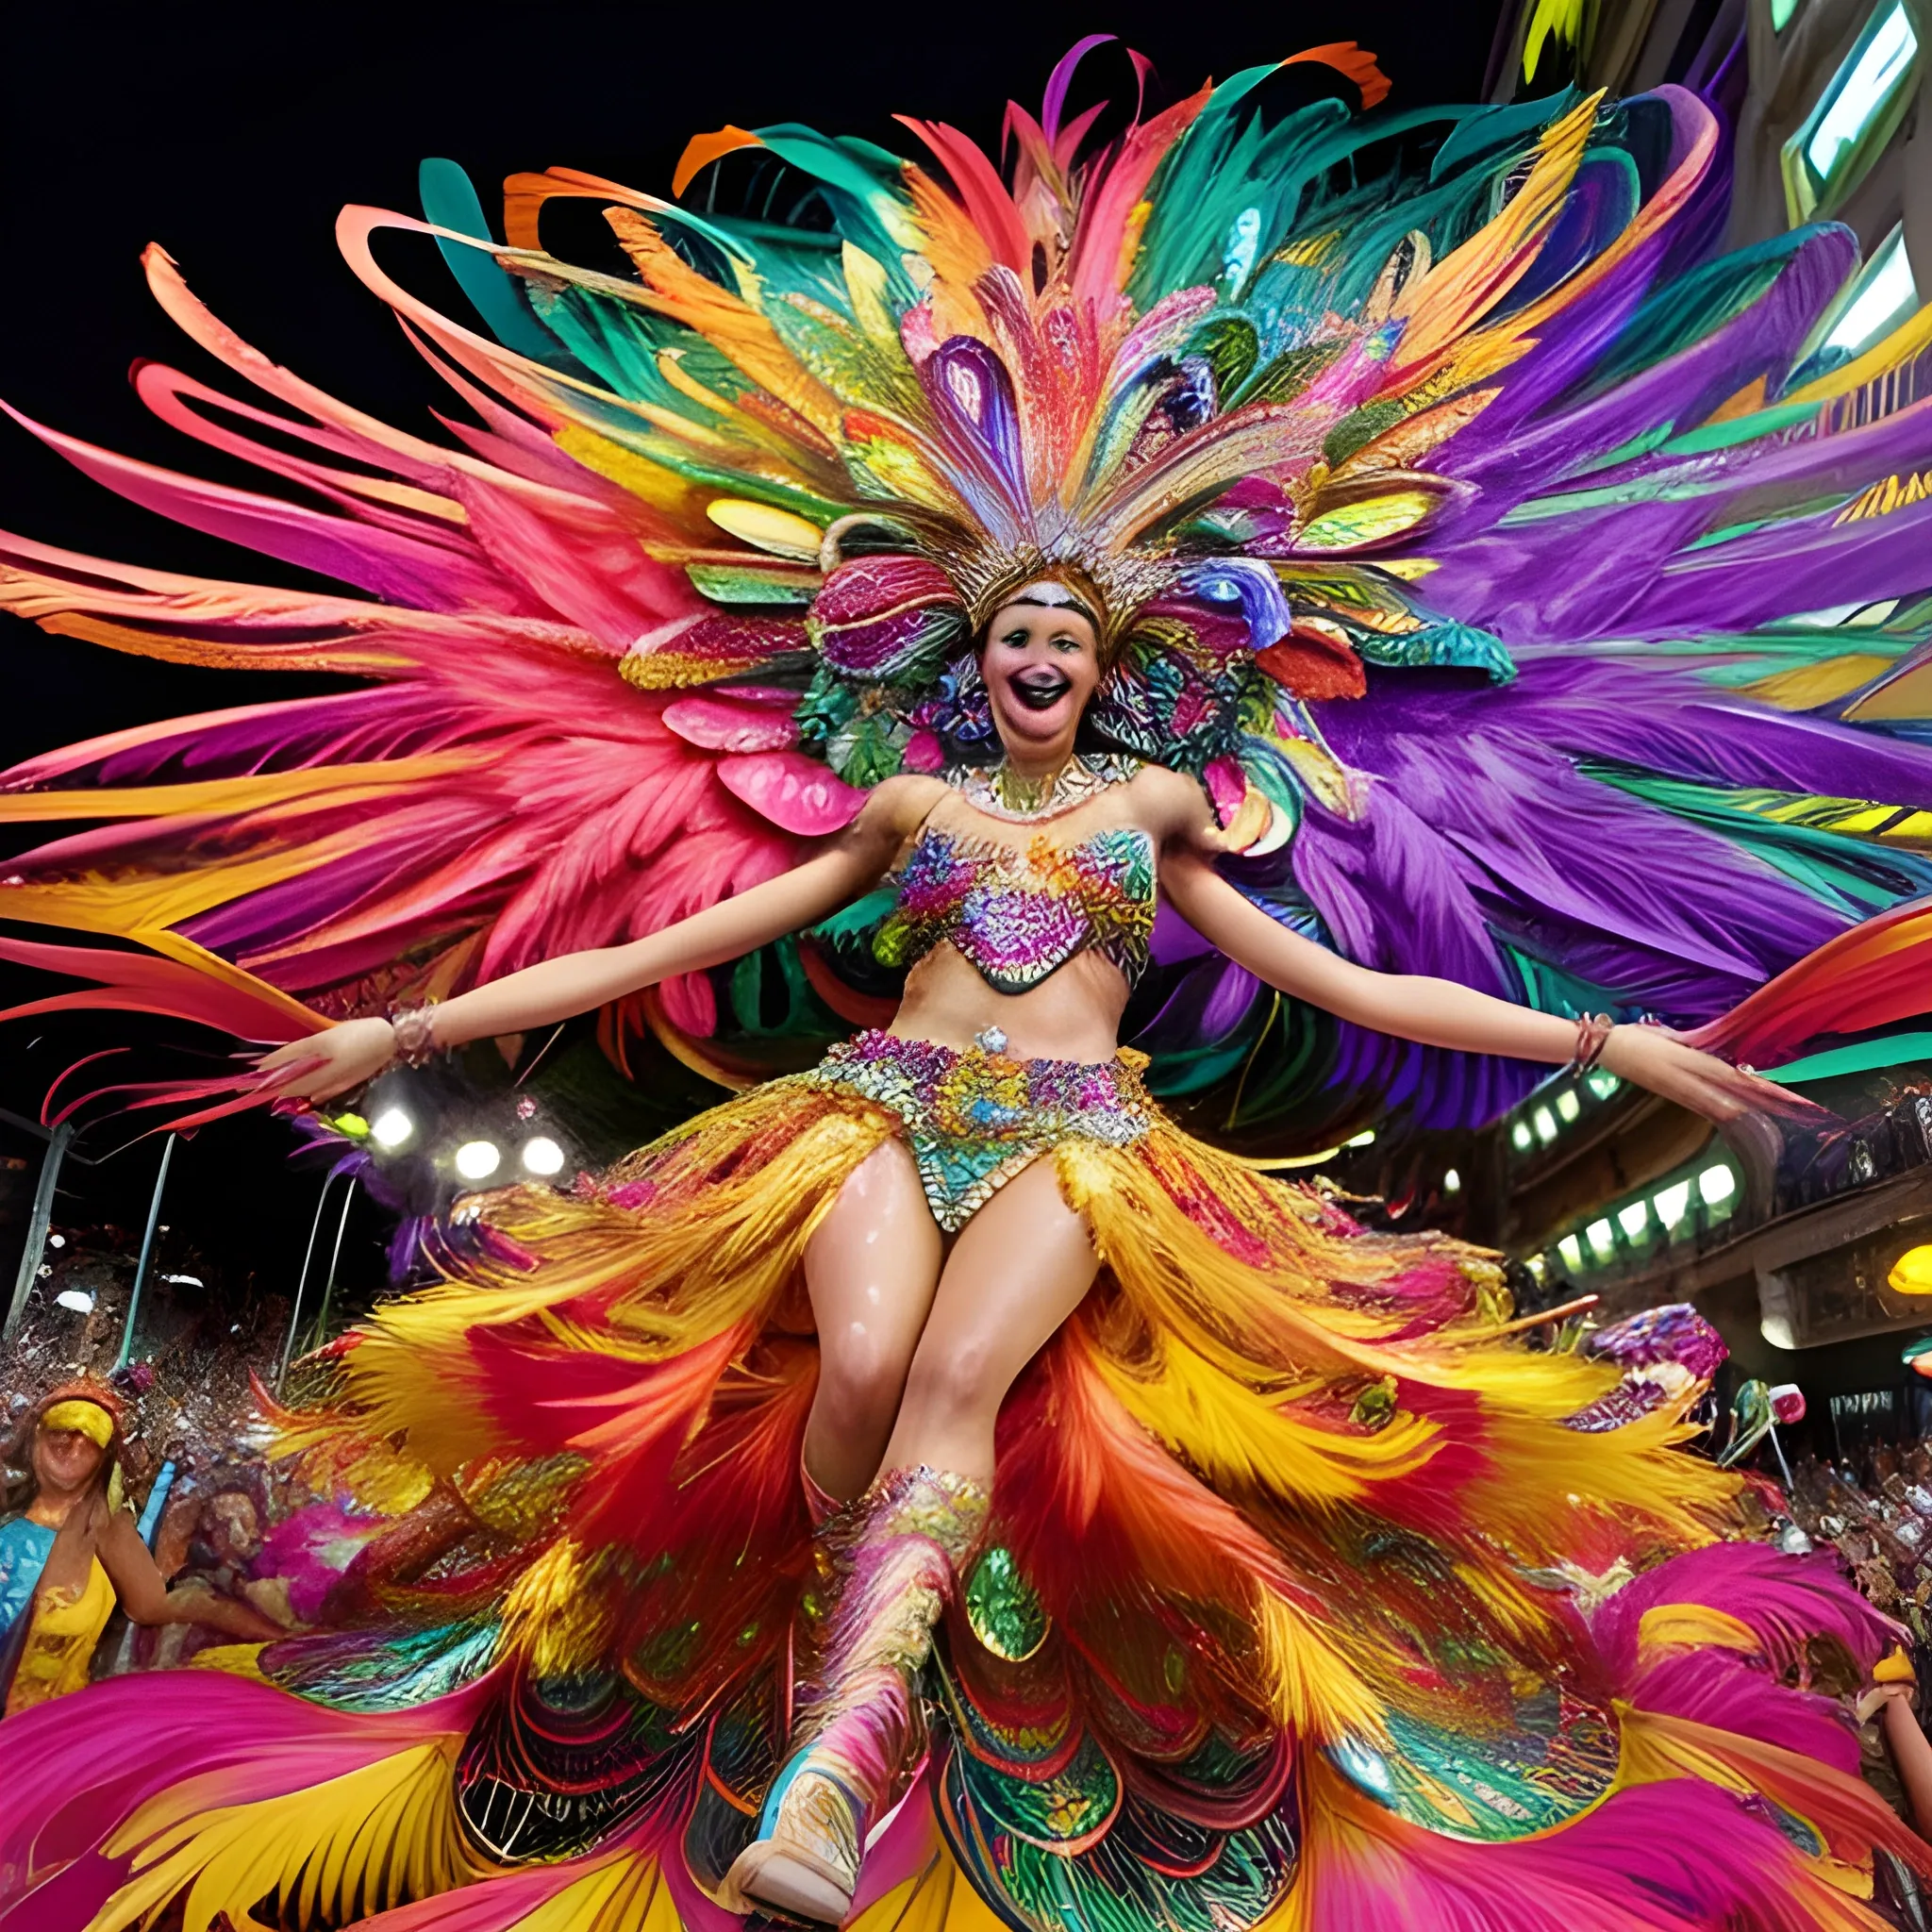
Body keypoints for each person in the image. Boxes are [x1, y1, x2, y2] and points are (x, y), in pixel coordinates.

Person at [3, 40, 1932, 1932]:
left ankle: (837, 1766)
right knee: (850, 1371)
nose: (1034, 655)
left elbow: (1344, 980)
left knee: (949, 1376)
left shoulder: (1164, 804)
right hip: (871, 1109)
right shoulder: (906, 796)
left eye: (1063, 634)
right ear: (968, 651)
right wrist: (405, 1025)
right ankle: (853, 1660)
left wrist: (1608, 1036)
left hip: (1081, 1148)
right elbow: (678, 945)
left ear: (1106, 663)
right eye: (1008, 627)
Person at [0, 1383, 282, 1715]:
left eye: (90, 1435)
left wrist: (275, 1638)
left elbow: (172, 1606)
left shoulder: (109, 1533)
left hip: (46, 1731)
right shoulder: (8, 1518)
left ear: (105, 1455)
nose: (74, 1443)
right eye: (62, 1429)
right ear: (36, 1434)